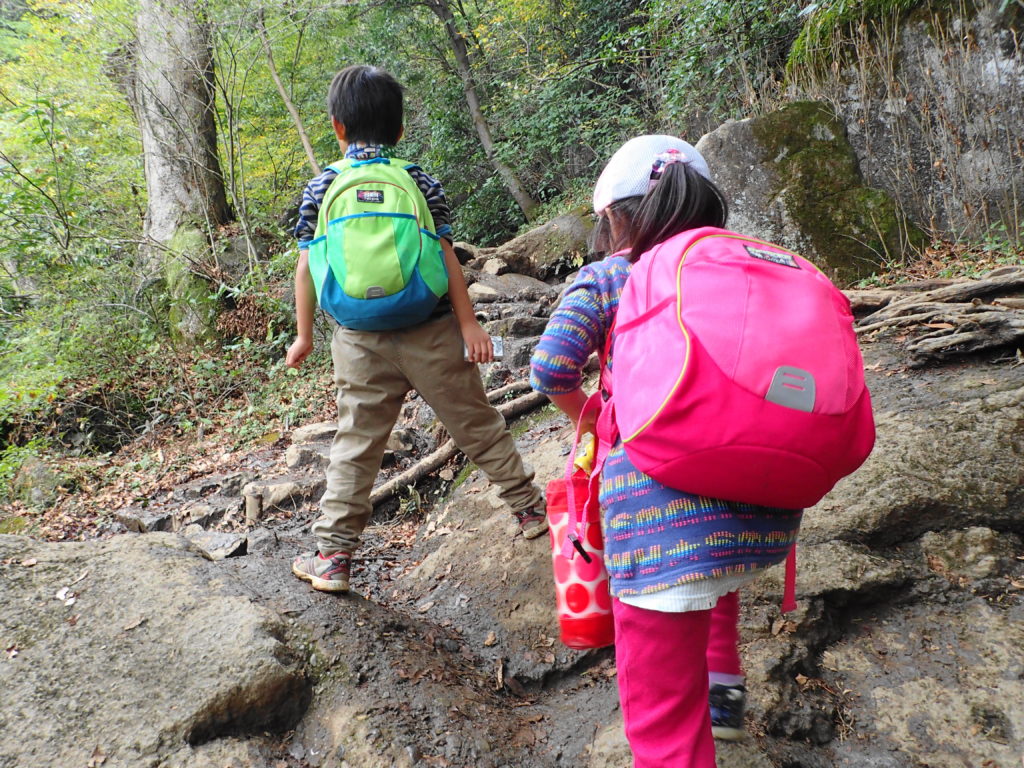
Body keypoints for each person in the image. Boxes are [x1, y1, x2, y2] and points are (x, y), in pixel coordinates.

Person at [530, 135, 802, 766]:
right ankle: (724, 699)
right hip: (757, 496)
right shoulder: (747, 262)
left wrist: (602, 427)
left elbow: (550, 370)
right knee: (714, 575)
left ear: (614, 218)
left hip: (659, 519)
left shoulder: (607, 275)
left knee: (660, 715)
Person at [287, 65, 546, 594]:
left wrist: (305, 335)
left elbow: (307, 264)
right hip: (432, 331)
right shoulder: (420, 181)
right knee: (475, 422)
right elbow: (444, 252)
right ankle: (530, 512)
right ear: (400, 132)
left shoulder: (322, 187)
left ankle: (334, 560)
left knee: (356, 445)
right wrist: (469, 322)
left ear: (337, 127)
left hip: (358, 342)